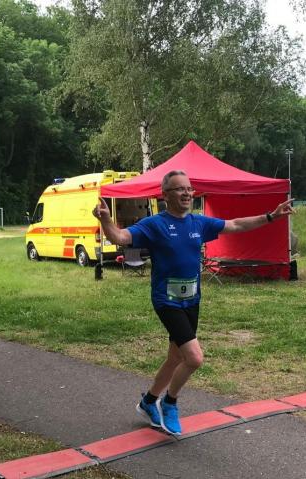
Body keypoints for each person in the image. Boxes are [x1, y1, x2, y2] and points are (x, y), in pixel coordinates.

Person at [93, 169, 293, 436]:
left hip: (192, 299)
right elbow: (120, 238)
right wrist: (106, 220)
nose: (187, 193)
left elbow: (235, 225)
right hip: (167, 300)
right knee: (194, 358)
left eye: (189, 188)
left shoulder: (198, 223)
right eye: (180, 189)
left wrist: (271, 216)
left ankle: (149, 402)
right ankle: (170, 402)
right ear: (165, 195)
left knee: (175, 357)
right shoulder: (154, 225)